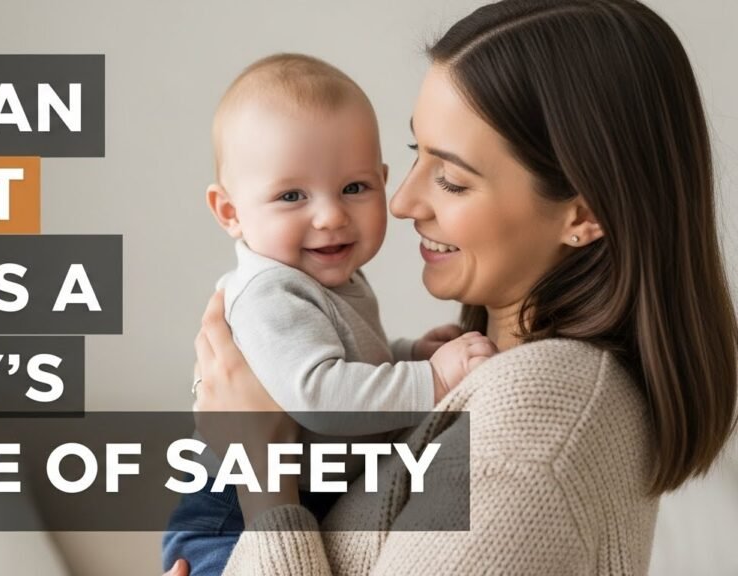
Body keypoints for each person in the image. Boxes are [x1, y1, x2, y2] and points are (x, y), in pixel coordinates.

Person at [168, 0, 738, 574]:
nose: (401, 202)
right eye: (417, 153)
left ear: (583, 213)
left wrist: (265, 487)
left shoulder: (537, 427)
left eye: (452, 179)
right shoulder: (506, 393)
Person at [162, 53, 497, 576]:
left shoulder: (321, 276)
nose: (330, 215)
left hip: (293, 491)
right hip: (227, 517)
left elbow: (344, 362)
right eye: (291, 195)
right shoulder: (271, 292)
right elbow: (318, 396)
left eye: (354, 188)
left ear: (383, 182)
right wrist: (429, 378)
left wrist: (408, 353)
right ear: (230, 212)